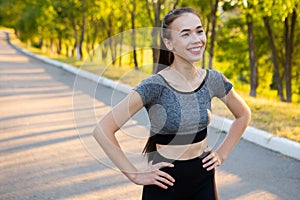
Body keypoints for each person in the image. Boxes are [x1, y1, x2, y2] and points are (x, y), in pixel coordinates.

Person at [93, 7, 251, 200]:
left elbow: (243, 115)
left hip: (203, 178)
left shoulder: (213, 80)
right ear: (169, 43)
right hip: (165, 181)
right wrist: (135, 175)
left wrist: (222, 154)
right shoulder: (154, 85)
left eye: (199, 31)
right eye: (185, 34)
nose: (196, 39)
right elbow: (102, 129)